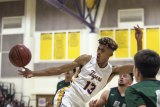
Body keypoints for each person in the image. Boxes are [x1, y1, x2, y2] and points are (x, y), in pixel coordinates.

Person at [18, 25, 142, 107]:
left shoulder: (112, 71)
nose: (98, 52)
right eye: (98, 49)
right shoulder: (86, 59)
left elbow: (138, 64)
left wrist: (139, 41)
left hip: (80, 103)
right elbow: (58, 69)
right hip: (67, 97)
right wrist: (33, 73)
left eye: (102, 50)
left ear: (110, 53)